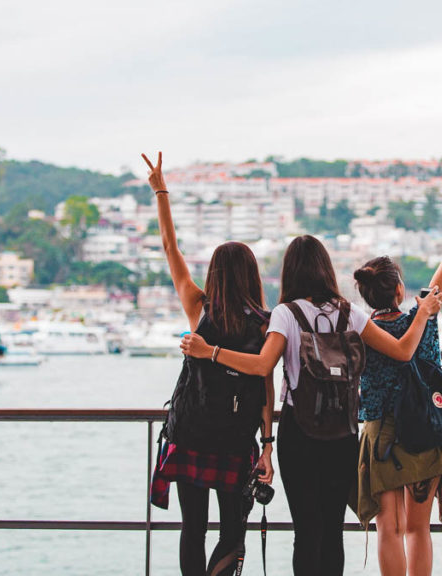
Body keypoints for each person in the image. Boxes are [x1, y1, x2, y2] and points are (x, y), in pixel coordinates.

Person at [181, 235, 442, 576]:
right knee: (333, 531)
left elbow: (262, 366)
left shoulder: (285, 315)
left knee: (307, 531)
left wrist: (210, 352)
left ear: (291, 271)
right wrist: (422, 313)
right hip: (343, 433)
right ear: (325, 270)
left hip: (298, 433)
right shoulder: (350, 313)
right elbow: (403, 351)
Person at [142, 151, 275, 576]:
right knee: (233, 530)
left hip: (192, 433)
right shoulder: (265, 324)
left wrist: (161, 191)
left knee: (192, 527)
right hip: (236, 439)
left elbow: (169, 246)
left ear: (215, 273)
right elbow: (266, 388)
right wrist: (267, 444)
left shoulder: (199, 309)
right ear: (252, 275)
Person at [352, 191, 442, 576]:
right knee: (419, 529)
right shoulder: (424, 315)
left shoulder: (363, 330)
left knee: (388, 531)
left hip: (382, 436)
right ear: (399, 290)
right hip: (425, 431)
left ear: (366, 296)